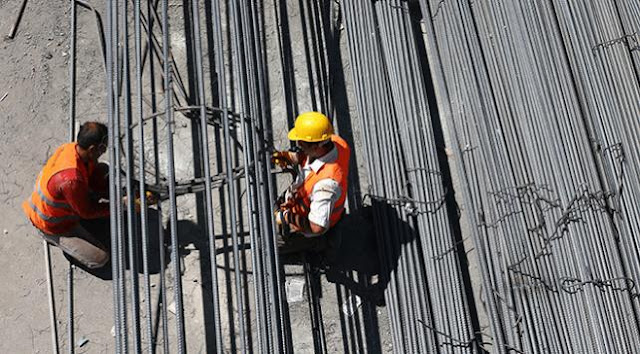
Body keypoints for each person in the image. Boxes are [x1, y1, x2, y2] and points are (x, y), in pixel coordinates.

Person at [22, 122, 113, 269]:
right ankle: (52, 238)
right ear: (92, 149)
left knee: (102, 170)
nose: (105, 151)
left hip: (62, 198)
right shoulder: (71, 180)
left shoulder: (71, 148)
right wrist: (121, 205)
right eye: (103, 148)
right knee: (100, 258)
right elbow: (87, 212)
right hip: (55, 225)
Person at [272, 111, 351, 255]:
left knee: (268, 245)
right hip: (297, 199)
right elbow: (311, 154)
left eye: (301, 143)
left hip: (305, 223)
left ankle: (319, 244)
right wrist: (290, 157)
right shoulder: (335, 142)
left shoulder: (326, 186)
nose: (298, 145)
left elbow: (317, 227)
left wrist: (286, 217)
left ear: (316, 146)